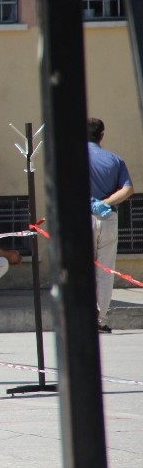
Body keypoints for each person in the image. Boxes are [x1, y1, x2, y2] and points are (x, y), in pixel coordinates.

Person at [87, 118, 134, 333]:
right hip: (107, 217)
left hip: (81, 219)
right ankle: (99, 319)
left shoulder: (72, 158)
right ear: (102, 135)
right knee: (104, 272)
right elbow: (128, 189)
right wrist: (103, 203)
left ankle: (83, 318)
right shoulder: (115, 159)